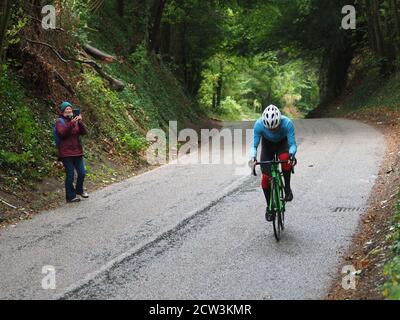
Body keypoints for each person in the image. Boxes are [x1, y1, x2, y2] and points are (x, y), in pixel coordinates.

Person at [250, 104, 297, 221]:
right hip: (268, 146)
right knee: (265, 177)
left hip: (282, 144)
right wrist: (253, 157)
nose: (272, 130)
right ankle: (269, 207)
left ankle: (287, 188)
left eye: (275, 128)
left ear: (279, 122)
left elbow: (292, 145)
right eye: (269, 128)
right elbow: (254, 146)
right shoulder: (259, 125)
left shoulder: (287, 123)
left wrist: (292, 154)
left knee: (286, 159)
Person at [56, 101, 89, 203]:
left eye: (70, 109)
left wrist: (79, 122)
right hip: (66, 153)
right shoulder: (59, 121)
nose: (69, 110)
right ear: (63, 111)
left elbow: (84, 132)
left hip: (77, 151)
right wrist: (72, 123)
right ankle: (70, 196)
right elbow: (62, 133)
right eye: (67, 109)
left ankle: (79, 190)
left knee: (82, 173)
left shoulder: (75, 121)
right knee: (70, 175)